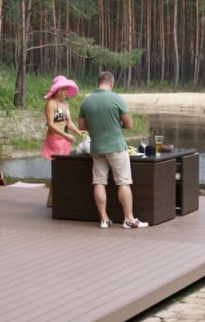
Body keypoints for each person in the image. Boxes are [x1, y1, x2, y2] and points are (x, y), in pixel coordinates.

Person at [79, 71, 147, 229]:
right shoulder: (116, 99)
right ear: (111, 84)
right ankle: (129, 219)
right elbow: (129, 124)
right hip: (116, 146)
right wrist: (115, 124)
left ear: (98, 83)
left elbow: (82, 126)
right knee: (123, 181)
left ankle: (104, 219)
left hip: (96, 147)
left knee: (99, 182)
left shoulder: (86, 101)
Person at [41, 75, 82, 207]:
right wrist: (65, 135)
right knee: (58, 170)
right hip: (55, 140)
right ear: (57, 90)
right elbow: (50, 124)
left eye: (66, 89)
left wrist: (78, 132)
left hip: (64, 140)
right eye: (63, 89)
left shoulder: (65, 104)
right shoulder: (51, 103)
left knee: (64, 170)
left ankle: (55, 199)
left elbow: (68, 122)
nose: (66, 92)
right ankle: (52, 200)